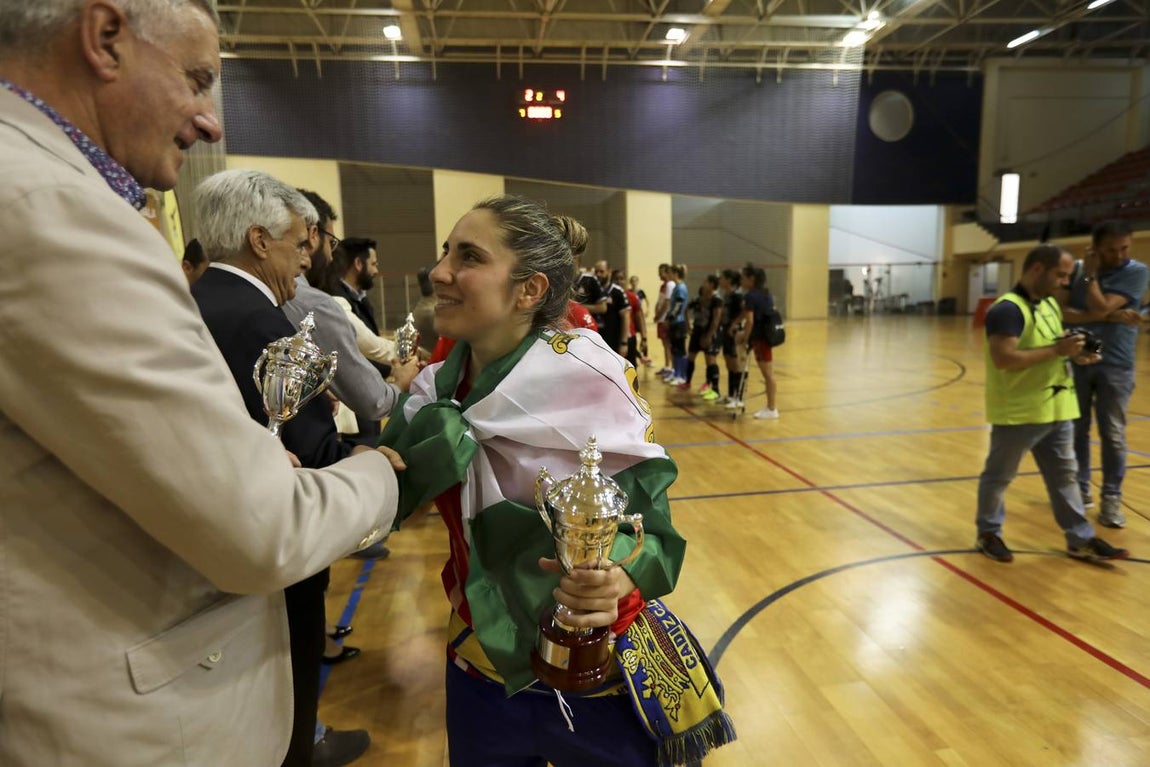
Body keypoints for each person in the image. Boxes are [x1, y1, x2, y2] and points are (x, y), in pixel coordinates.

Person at [0, 2, 398, 765]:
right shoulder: (50, 207)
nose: (210, 121)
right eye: (196, 80)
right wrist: (378, 472)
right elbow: (261, 527)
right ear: (105, 39)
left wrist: (239, 459)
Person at [380, 195, 733, 767]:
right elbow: (385, 497)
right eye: (445, 253)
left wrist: (618, 574)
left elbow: (657, 536)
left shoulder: (590, 379)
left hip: (601, 670)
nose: (439, 271)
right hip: (480, 665)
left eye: (468, 256)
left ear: (530, 290)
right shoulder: (432, 390)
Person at [191, 170, 400, 767]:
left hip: (220, 532)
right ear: (259, 241)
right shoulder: (260, 319)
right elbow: (307, 447)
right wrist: (369, 464)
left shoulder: (199, 298)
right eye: (296, 244)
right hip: (274, 527)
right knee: (293, 658)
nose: (305, 259)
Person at [975, 244, 1128, 564]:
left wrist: (1076, 355)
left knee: (1065, 478)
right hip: (1019, 413)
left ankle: (1080, 539)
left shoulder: (1048, 305)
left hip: (1056, 409)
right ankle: (988, 533)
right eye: (1060, 275)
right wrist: (1057, 352)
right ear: (1037, 270)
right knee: (999, 477)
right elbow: (1004, 358)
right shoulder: (1007, 310)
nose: (1064, 282)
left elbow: (1050, 349)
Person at [1061, 220, 1148, 528]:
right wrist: (1110, 317)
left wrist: (1092, 278)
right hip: (1079, 360)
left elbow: (1099, 305)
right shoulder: (1074, 271)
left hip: (1116, 364)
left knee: (1112, 434)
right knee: (1076, 430)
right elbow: (1061, 312)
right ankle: (1081, 490)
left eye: (1125, 248)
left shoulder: (1137, 271)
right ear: (1094, 248)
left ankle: (1111, 497)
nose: (1120, 255)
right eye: (1111, 250)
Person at [738, 264, 779, 419]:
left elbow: (750, 321)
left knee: (768, 374)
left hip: (760, 338)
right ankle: (771, 407)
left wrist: (745, 338)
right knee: (768, 374)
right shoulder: (766, 294)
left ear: (752, 279)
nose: (741, 281)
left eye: (744, 278)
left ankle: (771, 408)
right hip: (765, 336)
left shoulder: (751, 296)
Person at [682, 274, 722, 397]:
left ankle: (714, 389)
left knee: (710, 360)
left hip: (709, 332)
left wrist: (709, 335)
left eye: (706, 282)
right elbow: (686, 309)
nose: (703, 284)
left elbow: (716, 319)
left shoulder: (716, 300)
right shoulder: (698, 300)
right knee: (691, 357)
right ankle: (687, 382)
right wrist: (688, 326)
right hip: (697, 331)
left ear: (712, 285)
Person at [717, 269, 746, 406]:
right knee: (728, 363)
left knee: (736, 364)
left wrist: (734, 324)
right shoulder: (727, 295)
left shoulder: (737, 296)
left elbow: (745, 312)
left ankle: (738, 397)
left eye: (722, 278)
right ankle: (730, 395)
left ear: (729, 280)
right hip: (725, 331)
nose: (720, 280)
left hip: (734, 332)